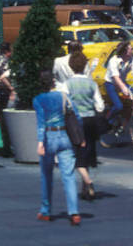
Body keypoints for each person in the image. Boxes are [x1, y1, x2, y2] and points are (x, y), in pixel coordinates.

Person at [33, 69, 81, 226]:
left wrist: (40, 143)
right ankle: (74, 212)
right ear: (53, 82)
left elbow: (41, 123)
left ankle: (46, 210)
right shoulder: (63, 96)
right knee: (68, 175)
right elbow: (77, 116)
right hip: (64, 137)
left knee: (46, 175)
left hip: (49, 137)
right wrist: (80, 137)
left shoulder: (38, 100)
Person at [66, 50, 103, 200]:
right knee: (87, 153)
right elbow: (100, 105)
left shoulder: (67, 84)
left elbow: (65, 104)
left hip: (76, 122)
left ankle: (88, 182)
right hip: (90, 120)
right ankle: (84, 188)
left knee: (76, 156)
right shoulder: (91, 84)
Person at [104, 40, 133, 136]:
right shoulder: (114, 60)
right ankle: (108, 119)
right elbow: (115, 77)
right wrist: (124, 88)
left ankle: (124, 125)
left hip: (122, 82)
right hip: (111, 83)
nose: (132, 50)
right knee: (119, 106)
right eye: (131, 49)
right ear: (125, 51)